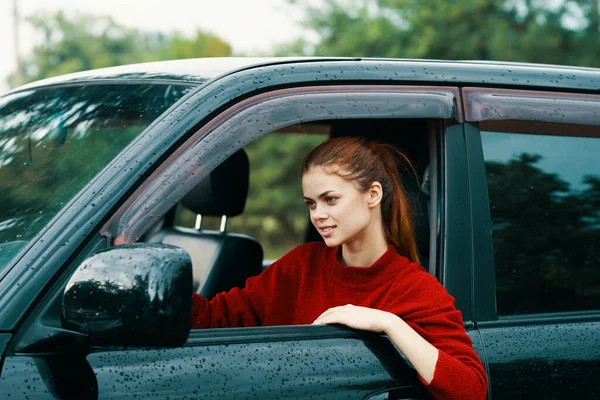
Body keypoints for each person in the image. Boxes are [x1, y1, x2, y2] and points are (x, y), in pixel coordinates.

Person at [191, 136, 488, 400]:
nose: (318, 215)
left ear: (372, 195)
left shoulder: (414, 290)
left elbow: (472, 390)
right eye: (311, 204)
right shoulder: (300, 265)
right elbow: (214, 319)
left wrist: (389, 324)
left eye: (330, 199)